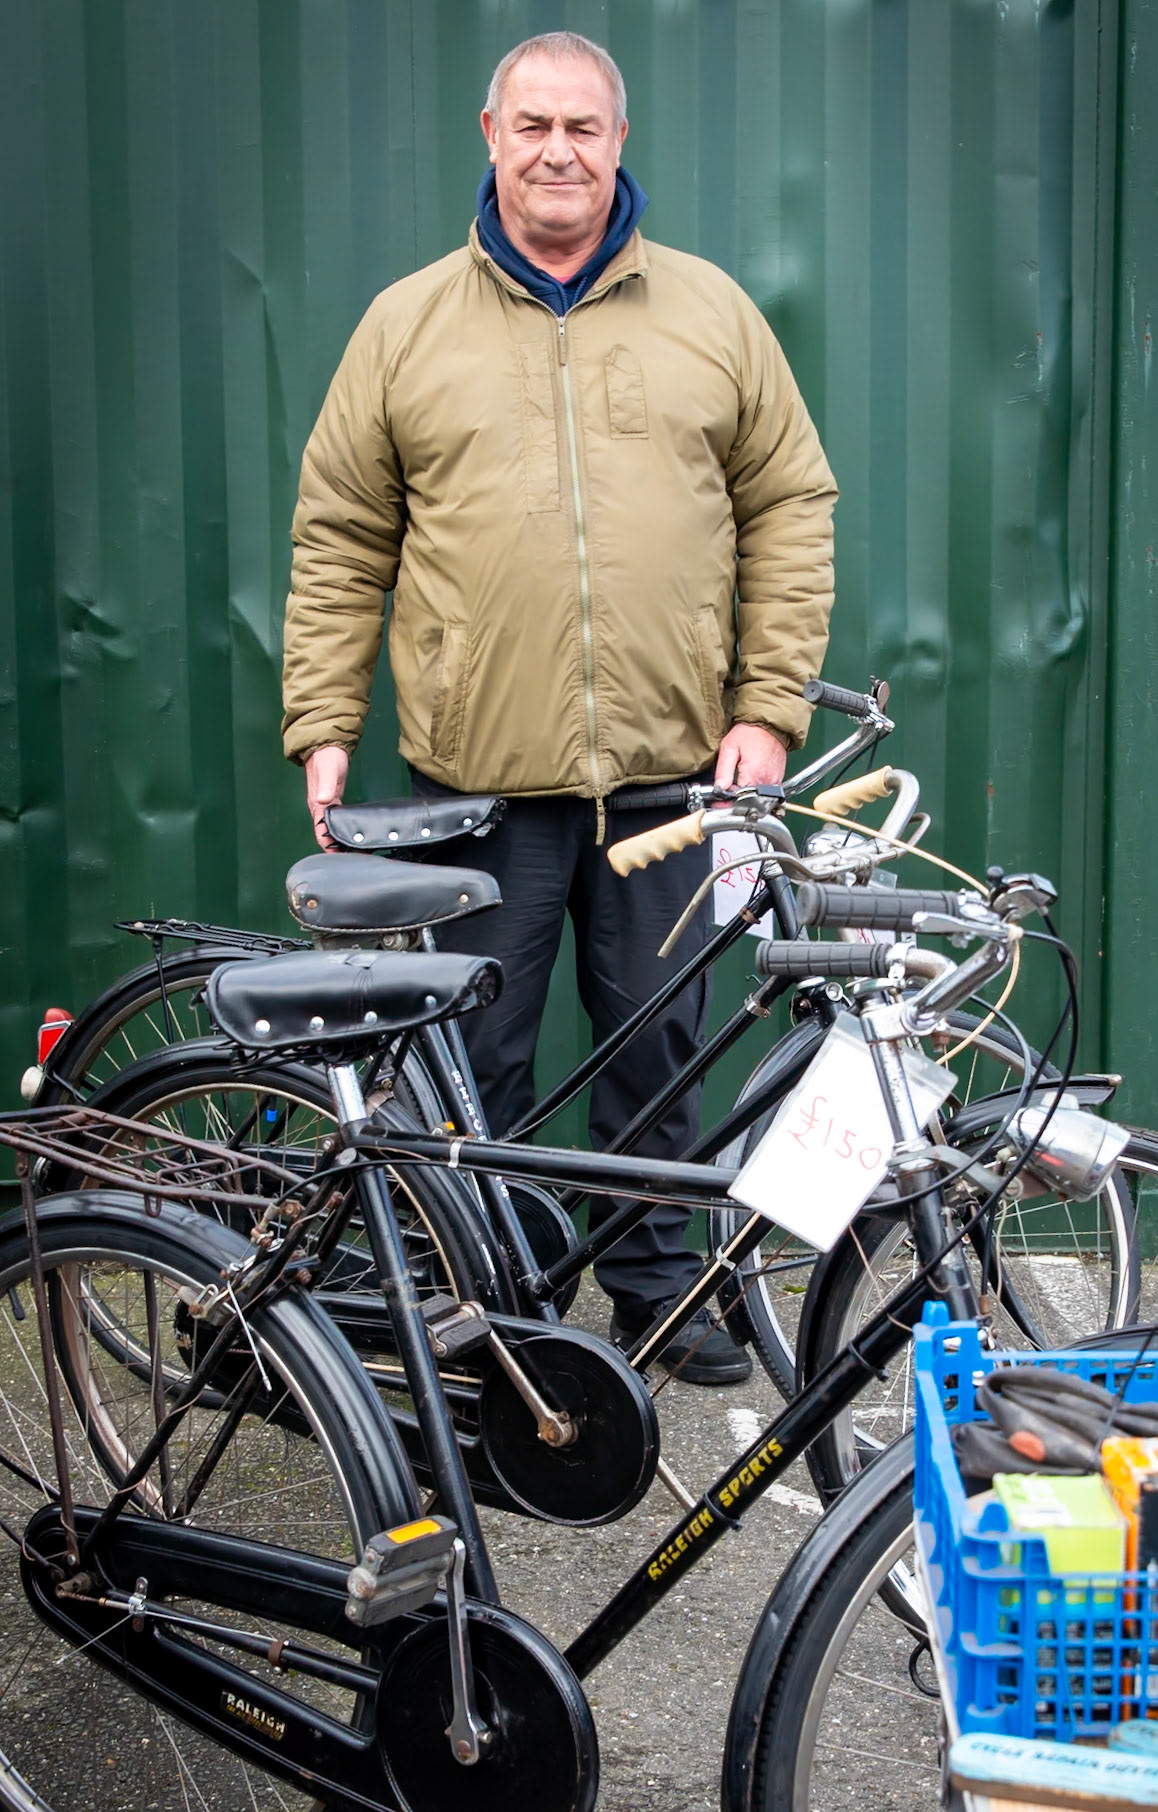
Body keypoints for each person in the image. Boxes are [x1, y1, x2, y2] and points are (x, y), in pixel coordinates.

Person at [281, 31, 837, 1383]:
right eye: (533, 125)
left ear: (618, 142)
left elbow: (789, 505)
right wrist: (321, 722)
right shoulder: (406, 324)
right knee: (480, 1065)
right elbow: (340, 533)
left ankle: (657, 1294)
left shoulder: (710, 315)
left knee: (661, 1057)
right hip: (476, 779)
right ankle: (506, 1304)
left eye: (583, 128)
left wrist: (766, 706)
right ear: (489, 134)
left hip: (671, 777)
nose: (557, 151)